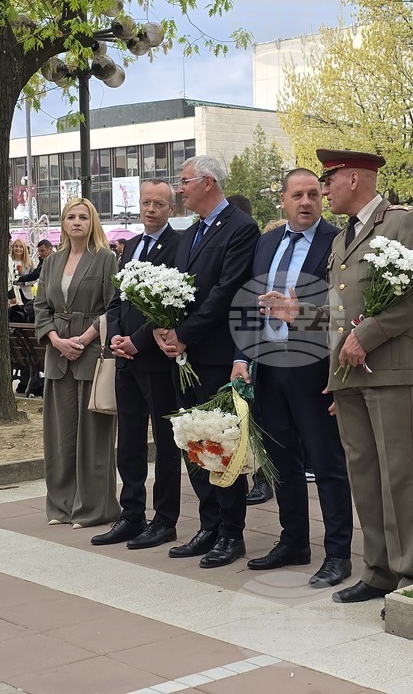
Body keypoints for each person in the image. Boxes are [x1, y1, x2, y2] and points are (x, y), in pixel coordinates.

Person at [265, 148, 413, 604]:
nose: (324, 191)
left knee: (398, 473)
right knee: (363, 473)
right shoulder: (345, 239)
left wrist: (370, 336)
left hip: (390, 369)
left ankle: (410, 576)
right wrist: (299, 313)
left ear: (355, 180)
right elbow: (342, 315)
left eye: (329, 180)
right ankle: (378, 569)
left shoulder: (402, 222)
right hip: (351, 373)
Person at [233, 168, 354, 588]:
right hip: (269, 366)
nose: (306, 202)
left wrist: (300, 314)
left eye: (313, 195)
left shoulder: (337, 242)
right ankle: (294, 541)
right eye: (297, 195)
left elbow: (345, 314)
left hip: (314, 367)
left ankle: (338, 553)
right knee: (280, 461)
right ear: (281, 201)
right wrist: (241, 356)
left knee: (326, 463)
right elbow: (249, 301)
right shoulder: (267, 242)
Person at [154, 155, 260, 569]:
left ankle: (231, 533)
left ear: (208, 182)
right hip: (186, 354)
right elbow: (178, 289)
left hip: (216, 354)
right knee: (193, 440)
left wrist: (184, 333)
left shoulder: (240, 227)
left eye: (184, 182)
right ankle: (208, 524)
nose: (179, 189)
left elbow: (226, 292)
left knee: (221, 442)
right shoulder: (192, 231)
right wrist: (164, 328)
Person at [92, 180, 183, 550]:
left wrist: (138, 341)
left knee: (164, 444)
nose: (150, 209)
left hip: (156, 360)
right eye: (146, 202)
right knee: (128, 440)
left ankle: (164, 521)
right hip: (124, 359)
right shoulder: (129, 246)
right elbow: (117, 300)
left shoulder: (179, 246)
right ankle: (131, 515)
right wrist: (115, 337)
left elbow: (174, 303)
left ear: (171, 209)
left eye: (158, 204)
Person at [34, 197, 120, 529]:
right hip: (58, 355)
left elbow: (113, 307)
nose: (77, 222)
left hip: (92, 354)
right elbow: (41, 307)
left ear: (92, 222)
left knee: (94, 437)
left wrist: (84, 339)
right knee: (59, 436)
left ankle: (95, 509)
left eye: (84, 217)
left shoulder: (105, 259)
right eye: (71, 216)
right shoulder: (52, 262)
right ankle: (61, 506)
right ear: (63, 223)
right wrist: (55, 339)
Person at [8, 238, 35, 303]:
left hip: (26, 294)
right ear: (13, 247)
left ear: (24, 249)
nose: (18, 249)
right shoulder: (9, 260)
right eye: (16, 246)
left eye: (21, 247)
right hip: (12, 294)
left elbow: (34, 277)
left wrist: (24, 282)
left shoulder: (29, 262)